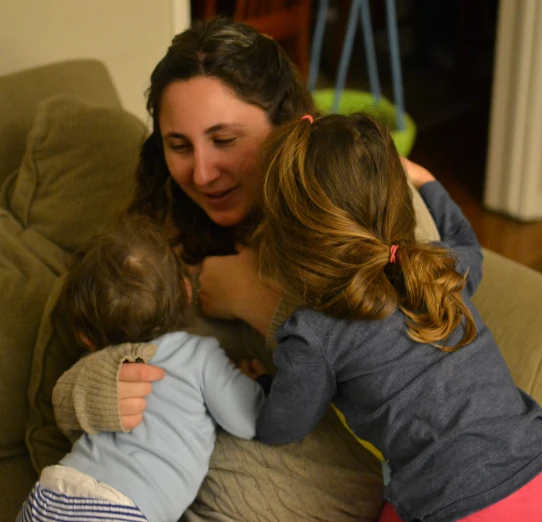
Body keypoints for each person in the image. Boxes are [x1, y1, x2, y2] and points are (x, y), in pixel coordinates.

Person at [51, 16, 443, 521]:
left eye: (225, 139)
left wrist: (262, 304)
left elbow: (430, 352)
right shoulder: (160, 232)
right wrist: (95, 390)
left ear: (285, 125)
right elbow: (77, 376)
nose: (203, 172)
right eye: (179, 145)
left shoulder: (362, 193)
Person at [245, 112, 542, 522]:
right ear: (398, 198)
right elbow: (468, 245)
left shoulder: (312, 334)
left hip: (463, 510)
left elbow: (284, 426)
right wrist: (427, 180)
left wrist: (261, 386)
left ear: (287, 239)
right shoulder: (440, 270)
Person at [18, 216, 267, 522]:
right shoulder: (199, 354)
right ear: (187, 292)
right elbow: (246, 420)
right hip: (122, 508)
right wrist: (252, 383)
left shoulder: (101, 366)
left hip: (51, 492)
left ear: (87, 340)